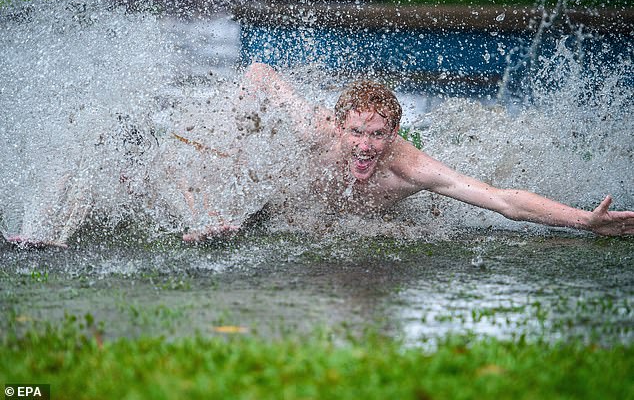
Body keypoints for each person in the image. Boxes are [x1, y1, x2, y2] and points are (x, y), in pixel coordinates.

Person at [184, 62, 633, 240]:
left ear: (395, 131)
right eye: (356, 132)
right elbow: (260, 74)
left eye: (378, 135)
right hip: (294, 205)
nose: (365, 147)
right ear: (339, 127)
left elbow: (502, 200)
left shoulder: (411, 168)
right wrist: (235, 134)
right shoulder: (314, 131)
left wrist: (585, 221)